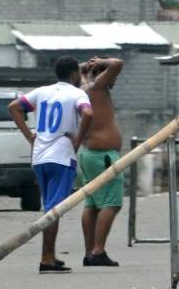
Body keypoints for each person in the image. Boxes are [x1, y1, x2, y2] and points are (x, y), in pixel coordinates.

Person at [9, 56, 93, 274]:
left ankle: (50, 255)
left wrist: (29, 136)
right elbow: (88, 113)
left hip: (40, 156)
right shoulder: (77, 93)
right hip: (61, 156)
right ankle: (46, 258)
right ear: (75, 74)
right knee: (54, 210)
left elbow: (14, 107)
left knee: (49, 207)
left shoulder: (42, 91)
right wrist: (78, 139)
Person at [78, 57, 125, 267]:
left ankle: (90, 252)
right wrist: (101, 61)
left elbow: (78, 70)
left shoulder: (82, 87)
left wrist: (87, 67)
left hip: (89, 154)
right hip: (103, 156)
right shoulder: (97, 86)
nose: (114, 81)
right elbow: (117, 63)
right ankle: (98, 250)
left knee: (92, 204)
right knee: (112, 203)